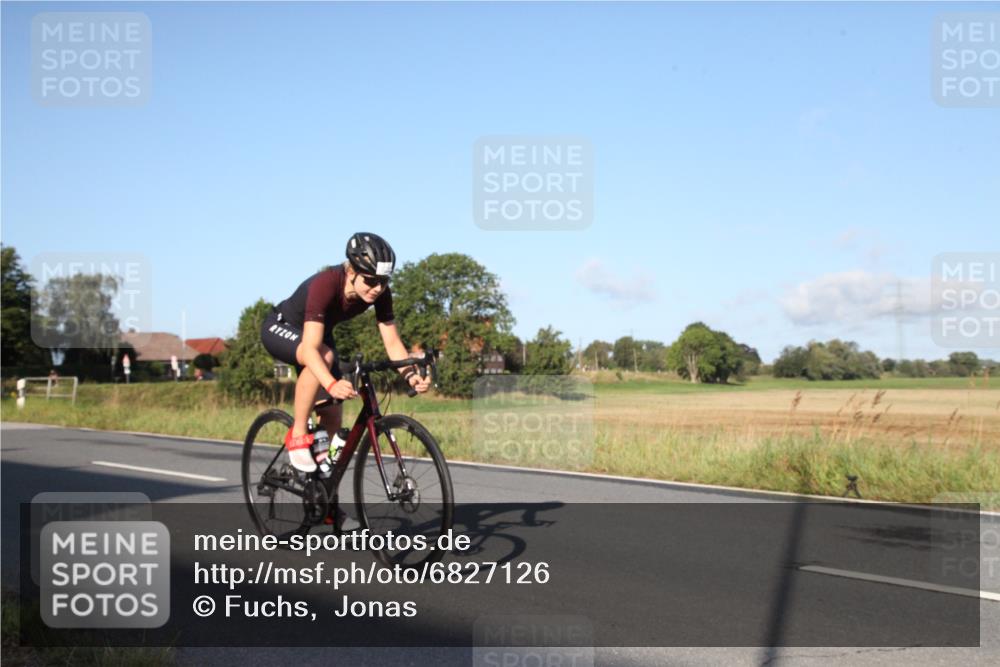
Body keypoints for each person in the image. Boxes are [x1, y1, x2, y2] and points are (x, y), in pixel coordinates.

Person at [260, 232, 431, 472]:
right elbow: (310, 349)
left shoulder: (380, 293)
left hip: (320, 335)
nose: (377, 288)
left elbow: (392, 343)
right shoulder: (326, 284)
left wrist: (410, 375)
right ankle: (298, 433)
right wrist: (330, 383)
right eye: (371, 281)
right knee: (324, 357)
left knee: (333, 412)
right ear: (351, 272)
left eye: (384, 281)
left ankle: (323, 498)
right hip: (282, 327)